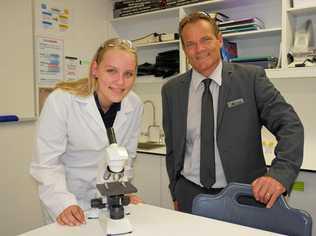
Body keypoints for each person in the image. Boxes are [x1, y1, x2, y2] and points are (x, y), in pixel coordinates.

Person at [161, 12, 304, 213]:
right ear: (184, 49)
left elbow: (290, 125)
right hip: (189, 194)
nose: (199, 49)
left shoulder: (250, 79)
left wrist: (279, 175)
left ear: (219, 40)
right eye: (190, 44)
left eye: (205, 40)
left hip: (243, 194)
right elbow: (172, 148)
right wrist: (176, 191)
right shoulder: (171, 90)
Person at [30, 38, 143, 226]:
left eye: (128, 74)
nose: (120, 81)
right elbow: (46, 164)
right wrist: (63, 204)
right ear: (95, 69)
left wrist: (123, 191)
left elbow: (127, 157)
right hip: (68, 203)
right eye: (111, 71)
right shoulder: (62, 101)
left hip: (109, 201)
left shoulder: (134, 104)